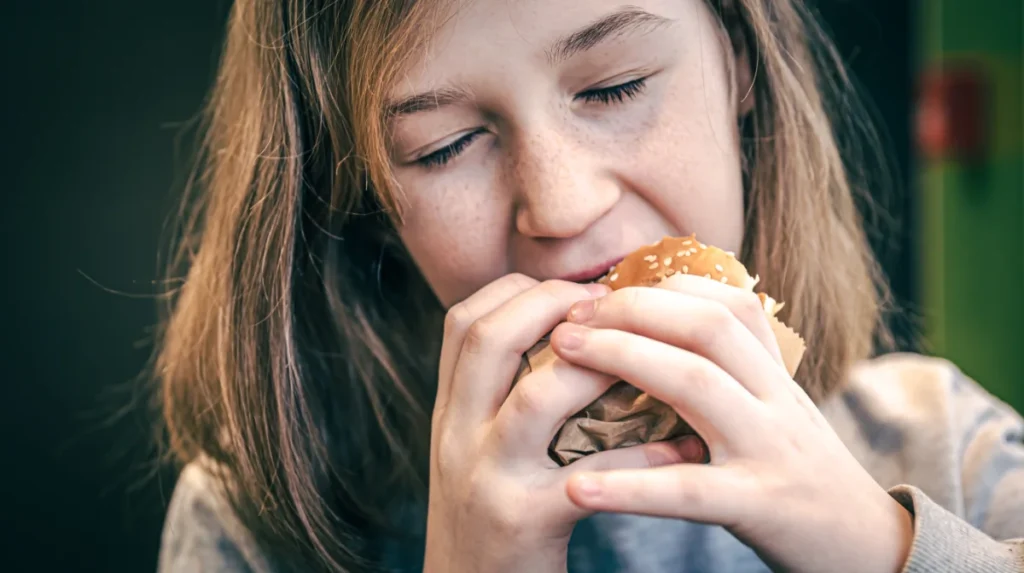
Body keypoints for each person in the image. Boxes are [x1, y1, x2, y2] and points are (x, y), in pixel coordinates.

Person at [154, 0, 1024, 571]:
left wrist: (886, 551)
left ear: (741, 64)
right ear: (370, 205)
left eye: (615, 87)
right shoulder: (253, 525)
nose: (562, 207)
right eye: (445, 146)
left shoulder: (950, 451)